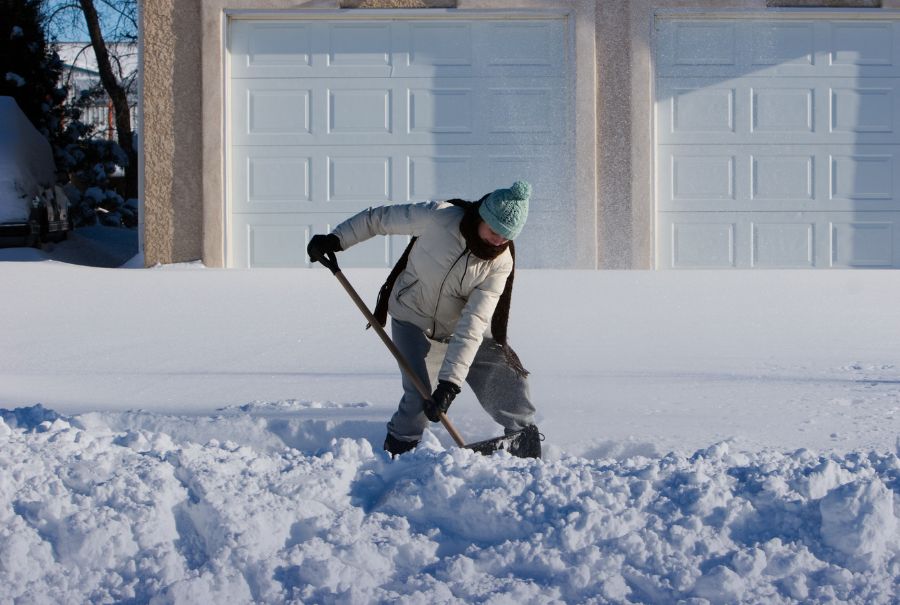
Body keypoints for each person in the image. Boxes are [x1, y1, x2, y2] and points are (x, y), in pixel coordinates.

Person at [307, 181, 539, 458]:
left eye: (507, 236)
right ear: (482, 217)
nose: (499, 241)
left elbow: (473, 323)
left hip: (458, 330)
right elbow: (380, 219)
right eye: (495, 231)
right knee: (420, 397)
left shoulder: (500, 263)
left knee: (507, 377)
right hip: (412, 319)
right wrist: (336, 240)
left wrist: (450, 384)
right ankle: (398, 451)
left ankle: (523, 440)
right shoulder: (439, 217)